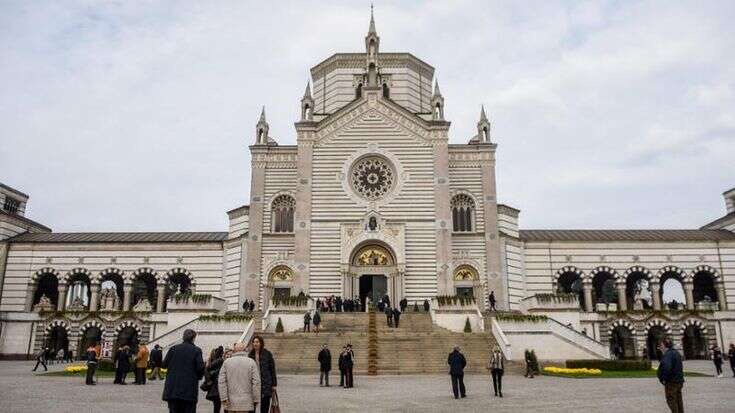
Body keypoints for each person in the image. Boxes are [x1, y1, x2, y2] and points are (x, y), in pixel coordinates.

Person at [162, 329, 205, 413]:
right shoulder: (196, 350)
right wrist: (198, 377)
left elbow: (164, 364)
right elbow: (200, 368)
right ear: (193, 338)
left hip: (173, 388)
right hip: (189, 389)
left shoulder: (173, 349)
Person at [219, 342, 260, 413]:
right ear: (244, 350)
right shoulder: (251, 362)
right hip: (246, 401)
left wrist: (224, 398)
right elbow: (256, 382)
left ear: (234, 350)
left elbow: (222, 382)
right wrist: (256, 399)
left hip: (230, 401)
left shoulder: (226, 362)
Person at [249, 335, 278, 413]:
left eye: (257, 342)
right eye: (254, 342)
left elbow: (272, 369)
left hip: (265, 383)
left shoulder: (267, 354)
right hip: (254, 383)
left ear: (261, 343)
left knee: (265, 406)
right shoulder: (250, 355)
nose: (255, 344)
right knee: (252, 406)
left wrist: (274, 384)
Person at [657, 337, 684, 413]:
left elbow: (667, 367)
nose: (660, 347)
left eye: (660, 345)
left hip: (671, 382)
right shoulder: (676, 353)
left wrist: (663, 378)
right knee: (678, 400)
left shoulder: (668, 354)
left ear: (663, 345)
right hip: (679, 381)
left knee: (671, 400)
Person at [204, 346, 225, 413]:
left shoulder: (214, 361)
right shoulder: (220, 360)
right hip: (217, 387)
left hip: (215, 386)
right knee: (218, 405)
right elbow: (208, 368)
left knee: (217, 405)